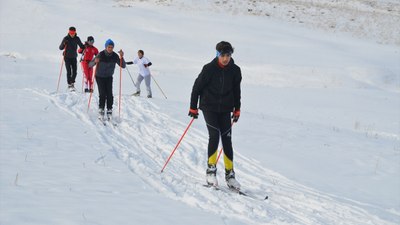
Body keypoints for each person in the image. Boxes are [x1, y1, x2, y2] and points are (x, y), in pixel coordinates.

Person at [189, 41, 242, 189]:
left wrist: (237, 109)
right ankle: (211, 171)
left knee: (227, 139)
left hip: (225, 109)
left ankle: (230, 175)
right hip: (209, 107)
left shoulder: (235, 71)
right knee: (214, 135)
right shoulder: (209, 69)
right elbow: (197, 87)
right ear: (217, 55)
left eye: (228, 55)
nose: (226, 58)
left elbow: (237, 91)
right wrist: (193, 107)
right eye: (223, 55)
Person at [89, 39, 126, 120]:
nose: (110, 49)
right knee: (102, 93)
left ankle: (109, 109)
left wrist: (121, 57)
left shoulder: (115, 56)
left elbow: (123, 66)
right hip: (99, 76)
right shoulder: (100, 55)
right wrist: (95, 61)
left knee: (109, 94)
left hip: (109, 77)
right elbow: (90, 65)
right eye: (109, 47)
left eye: (112, 47)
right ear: (106, 47)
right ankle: (101, 109)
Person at [59, 26, 84, 91]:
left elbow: (81, 46)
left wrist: (85, 45)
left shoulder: (77, 38)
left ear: (75, 32)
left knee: (75, 71)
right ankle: (69, 85)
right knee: (69, 71)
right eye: (70, 33)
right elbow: (60, 48)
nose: (72, 34)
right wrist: (64, 44)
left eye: (73, 33)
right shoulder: (66, 38)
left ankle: (72, 83)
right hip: (67, 57)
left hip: (74, 57)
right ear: (69, 32)